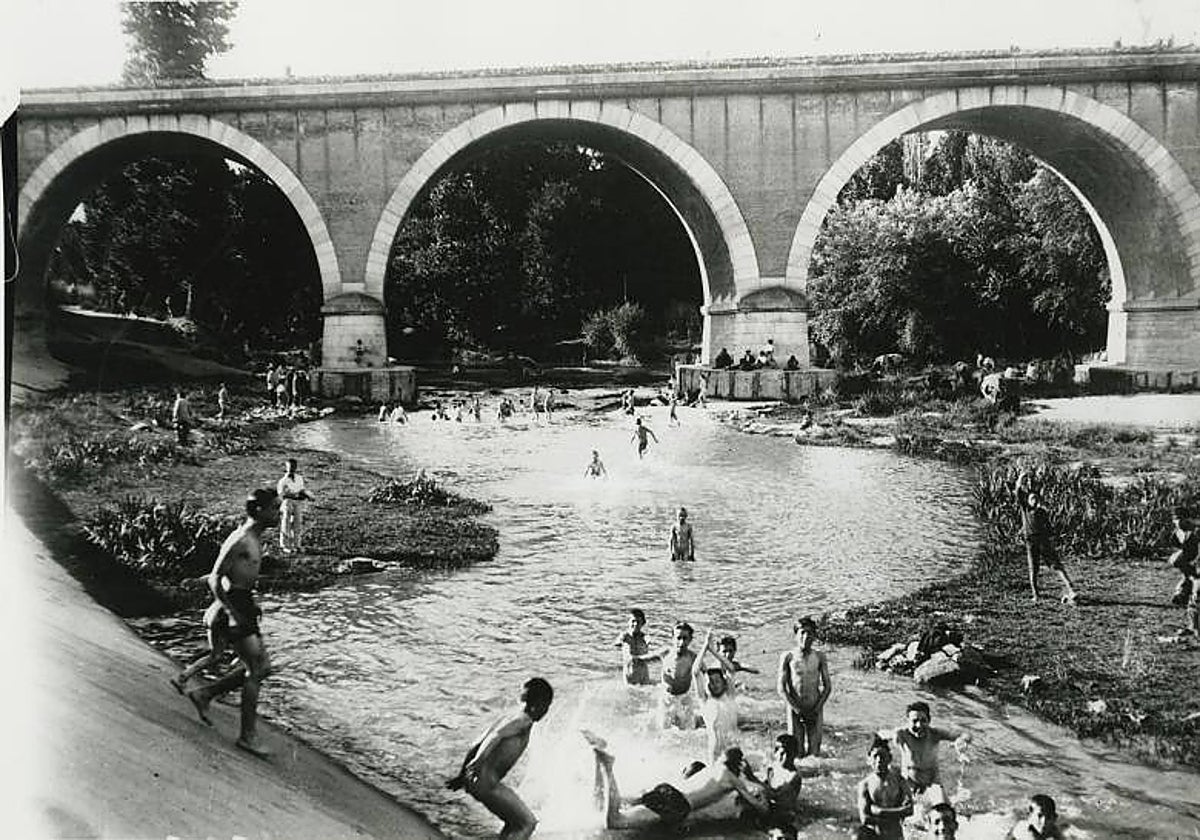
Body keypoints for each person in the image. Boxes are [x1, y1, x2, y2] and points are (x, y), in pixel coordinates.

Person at [181, 488, 281, 757]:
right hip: (234, 607)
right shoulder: (240, 539)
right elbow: (215, 578)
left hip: (243, 603)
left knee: (260, 668)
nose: (279, 513)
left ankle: (205, 694)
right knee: (257, 669)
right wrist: (232, 611)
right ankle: (247, 737)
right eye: (274, 508)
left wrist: (250, 605)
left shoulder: (255, 539)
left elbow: (241, 578)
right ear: (259, 511)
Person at [585, 734, 769, 830]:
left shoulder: (712, 768)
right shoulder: (732, 778)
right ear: (738, 764)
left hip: (667, 789)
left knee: (601, 805)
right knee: (615, 822)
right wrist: (752, 778)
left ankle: (598, 756)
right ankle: (607, 767)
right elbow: (761, 808)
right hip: (677, 803)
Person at [446, 677, 554, 840]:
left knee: (513, 823)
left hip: (477, 780)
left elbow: (476, 743)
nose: (546, 711)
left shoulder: (511, 717)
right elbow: (494, 737)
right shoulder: (523, 720)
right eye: (547, 706)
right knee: (528, 823)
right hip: (487, 783)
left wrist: (463, 775)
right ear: (541, 704)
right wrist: (478, 763)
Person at [877, 701, 971, 806]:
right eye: (915, 721)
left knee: (945, 811)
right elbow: (881, 734)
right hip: (909, 781)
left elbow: (965, 734)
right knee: (900, 812)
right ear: (908, 721)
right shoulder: (902, 734)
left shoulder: (935, 733)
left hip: (932, 781)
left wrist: (961, 741)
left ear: (929, 720)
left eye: (923, 721)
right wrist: (889, 738)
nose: (919, 725)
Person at [1014, 469, 1079, 604]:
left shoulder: (1042, 512)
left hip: (1043, 542)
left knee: (1057, 566)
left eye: (1036, 499)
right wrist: (1021, 477)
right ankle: (1036, 595)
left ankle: (1071, 589)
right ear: (1028, 500)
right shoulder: (1025, 509)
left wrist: (1051, 539)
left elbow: (1050, 529)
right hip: (1030, 542)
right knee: (1034, 569)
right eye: (1032, 498)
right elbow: (1018, 490)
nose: (1034, 500)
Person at [777, 616, 831, 757]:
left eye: (809, 633)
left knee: (814, 754)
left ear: (814, 636)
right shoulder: (788, 657)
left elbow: (827, 687)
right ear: (796, 635)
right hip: (795, 710)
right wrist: (797, 710)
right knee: (796, 753)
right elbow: (781, 689)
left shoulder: (820, 656)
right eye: (802, 632)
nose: (806, 636)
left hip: (815, 708)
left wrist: (817, 709)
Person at [631, 621, 699, 730]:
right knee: (663, 731)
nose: (681, 642)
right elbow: (645, 659)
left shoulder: (693, 657)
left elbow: (707, 673)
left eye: (685, 638)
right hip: (667, 698)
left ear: (690, 640)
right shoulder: (666, 653)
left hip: (684, 698)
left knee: (688, 732)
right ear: (672, 638)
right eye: (678, 638)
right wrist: (634, 659)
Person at [692, 629, 741, 761]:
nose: (713, 685)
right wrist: (705, 646)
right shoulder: (705, 702)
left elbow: (730, 668)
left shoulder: (729, 696)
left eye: (717, 681)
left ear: (724, 684)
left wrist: (713, 651)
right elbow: (695, 672)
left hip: (733, 748)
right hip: (715, 751)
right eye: (710, 682)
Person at [855, 736, 913, 840]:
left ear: (889, 758)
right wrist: (894, 816)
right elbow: (865, 818)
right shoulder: (865, 784)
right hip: (875, 835)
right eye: (875, 756)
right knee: (857, 836)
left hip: (896, 835)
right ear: (869, 759)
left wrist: (881, 812)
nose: (879, 760)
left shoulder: (900, 781)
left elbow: (909, 810)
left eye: (882, 756)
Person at [1168, 508, 1199, 637]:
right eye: (1176, 519)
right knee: (1188, 597)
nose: (1179, 521)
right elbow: (1185, 555)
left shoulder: (1196, 532)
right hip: (1192, 568)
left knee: (1197, 595)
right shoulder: (1176, 535)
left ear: (1188, 519)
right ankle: (1193, 628)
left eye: (1182, 518)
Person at [277, 458, 313, 554]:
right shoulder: (283, 481)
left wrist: (306, 496)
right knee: (286, 523)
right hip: (287, 502)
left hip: (297, 502)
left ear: (296, 467)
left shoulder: (299, 478)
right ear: (286, 467)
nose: (291, 469)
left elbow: (301, 490)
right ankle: (285, 545)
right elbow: (282, 495)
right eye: (289, 467)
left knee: (297, 523)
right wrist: (294, 495)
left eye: (293, 467)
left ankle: (296, 544)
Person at [616, 608, 651, 685]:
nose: (635, 624)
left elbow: (648, 641)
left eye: (638, 622)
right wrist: (620, 642)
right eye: (633, 621)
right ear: (628, 622)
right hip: (629, 672)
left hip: (643, 672)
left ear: (643, 623)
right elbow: (617, 642)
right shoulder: (625, 636)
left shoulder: (644, 637)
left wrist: (647, 642)